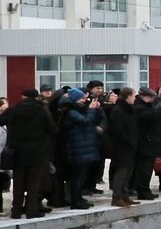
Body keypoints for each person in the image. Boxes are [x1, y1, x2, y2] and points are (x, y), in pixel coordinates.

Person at [0, 89, 57, 219]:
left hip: (18, 151)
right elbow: (53, 130)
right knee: (34, 182)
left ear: (23, 96)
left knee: (18, 182)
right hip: (36, 151)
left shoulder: (14, 110)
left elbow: (1, 121)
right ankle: (32, 210)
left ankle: (16, 211)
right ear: (36, 97)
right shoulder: (41, 110)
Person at [62, 89, 103, 209]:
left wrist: (97, 109)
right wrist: (91, 109)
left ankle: (79, 198)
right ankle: (75, 201)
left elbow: (94, 120)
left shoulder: (81, 109)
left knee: (82, 176)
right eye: (82, 98)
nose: (85, 100)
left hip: (85, 146)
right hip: (77, 147)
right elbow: (85, 121)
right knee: (77, 177)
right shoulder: (71, 111)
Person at [106, 88, 139, 207]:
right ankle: (117, 196)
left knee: (129, 170)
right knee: (122, 171)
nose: (135, 98)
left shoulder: (128, 109)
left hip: (130, 145)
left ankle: (125, 194)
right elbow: (118, 130)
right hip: (121, 146)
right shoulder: (118, 110)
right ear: (128, 96)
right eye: (133, 96)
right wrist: (129, 140)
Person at [131, 88, 161, 200]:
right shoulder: (139, 107)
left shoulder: (148, 106)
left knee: (148, 168)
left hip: (150, 141)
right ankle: (142, 190)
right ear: (143, 96)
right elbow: (149, 117)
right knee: (143, 169)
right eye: (150, 97)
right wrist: (160, 109)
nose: (152, 99)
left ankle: (146, 189)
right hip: (145, 142)